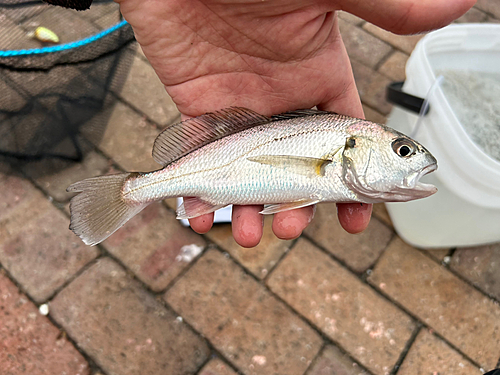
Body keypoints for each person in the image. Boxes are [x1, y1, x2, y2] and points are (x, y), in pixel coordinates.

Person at [86, 0, 478, 247]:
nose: (410, 158)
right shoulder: (337, 145)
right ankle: (133, 190)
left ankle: (137, 190)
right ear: (353, 148)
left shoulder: (340, 147)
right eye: (403, 150)